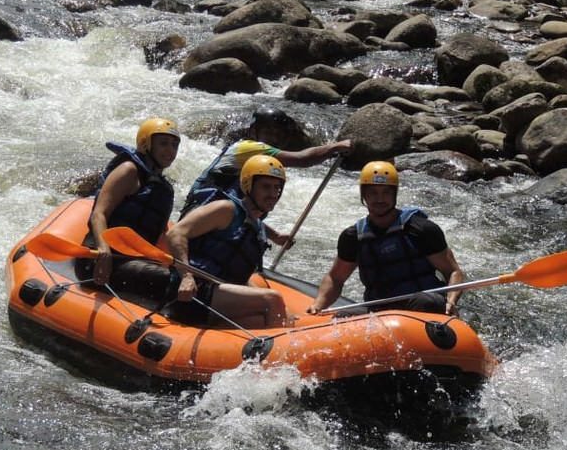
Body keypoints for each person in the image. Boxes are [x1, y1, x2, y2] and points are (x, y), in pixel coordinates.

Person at [305, 161, 465, 316]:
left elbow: (452, 271)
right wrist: (318, 305)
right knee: (342, 317)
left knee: (425, 301)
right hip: (380, 312)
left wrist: (450, 302)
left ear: (394, 194)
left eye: (386, 192)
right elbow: (336, 278)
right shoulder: (353, 237)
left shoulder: (421, 229)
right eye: (373, 193)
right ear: (364, 196)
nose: (380, 199)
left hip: (423, 305)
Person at [166, 154, 294, 328]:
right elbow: (176, 233)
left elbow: (238, 273)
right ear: (248, 185)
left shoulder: (256, 227)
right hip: (193, 290)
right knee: (273, 299)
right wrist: (187, 276)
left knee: (280, 317)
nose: (273, 194)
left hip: (220, 296)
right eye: (266, 187)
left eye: (277, 188)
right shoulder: (225, 209)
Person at [78, 117, 181, 298]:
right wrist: (104, 251)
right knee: (169, 281)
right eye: (164, 144)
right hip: (101, 258)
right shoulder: (128, 171)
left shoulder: (165, 189)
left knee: (179, 279)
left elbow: (161, 234)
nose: (170, 151)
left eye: (174, 145)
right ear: (146, 144)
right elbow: (99, 214)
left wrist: (179, 266)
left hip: (133, 260)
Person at [183, 105, 350, 212]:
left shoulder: (261, 161)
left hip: (215, 212)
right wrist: (334, 147)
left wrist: (274, 236)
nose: (273, 139)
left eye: (278, 135)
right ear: (253, 132)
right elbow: (302, 159)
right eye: (268, 133)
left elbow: (246, 208)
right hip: (202, 210)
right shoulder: (249, 147)